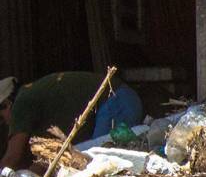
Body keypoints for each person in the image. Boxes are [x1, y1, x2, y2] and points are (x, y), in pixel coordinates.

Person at [1, 72, 143, 171]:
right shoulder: (36, 100)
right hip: (124, 99)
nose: (5, 123)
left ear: (6, 104)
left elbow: (13, 157)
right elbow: (52, 159)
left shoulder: (22, 102)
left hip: (115, 101)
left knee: (100, 165)